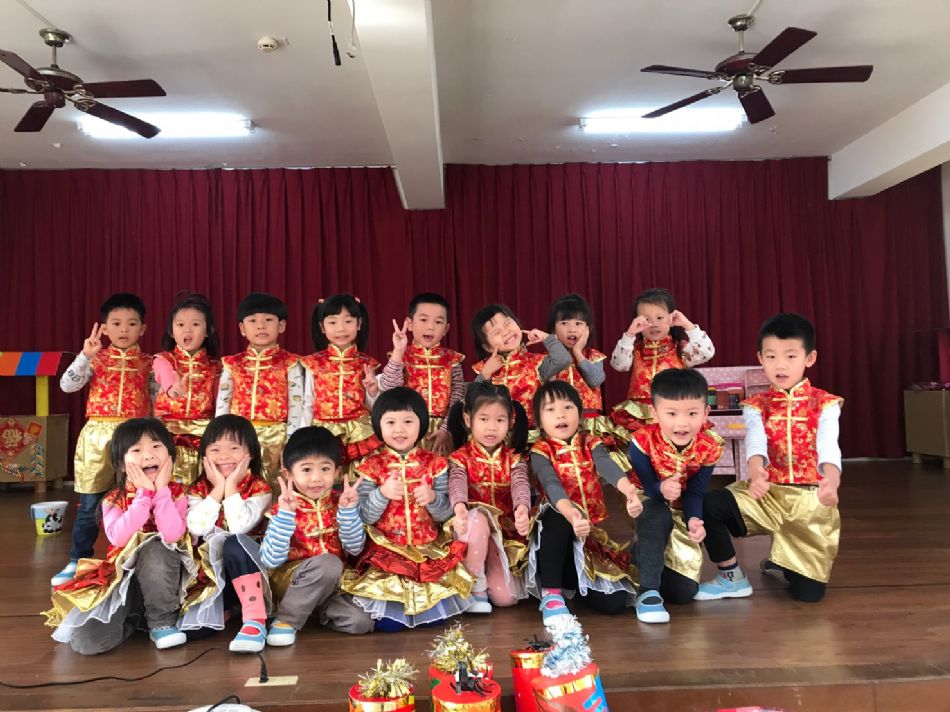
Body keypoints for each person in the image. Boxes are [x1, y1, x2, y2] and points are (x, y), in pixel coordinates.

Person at [696, 313, 843, 604]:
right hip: (767, 495)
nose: (780, 365)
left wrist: (831, 480)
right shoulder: (756, 405)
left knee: (809, 596)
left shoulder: (826, 403)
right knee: (709, 504)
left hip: (809, 504)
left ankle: (784, 561)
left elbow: (828, 445)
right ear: (760, 358)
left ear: (809, 358)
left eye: (790, 356)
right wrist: (756, 472)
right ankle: (731, 576)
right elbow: (756, 440)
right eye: (771, 356)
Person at [45, 418, 195, 654]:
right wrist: (144, 494)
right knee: (87, 642)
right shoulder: (113, 499)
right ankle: (138, 618)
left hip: (165, 577)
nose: (148, 455)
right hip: (123, 578)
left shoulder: (178, 494)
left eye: (156, 446)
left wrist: (160, 492)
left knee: (154, 546)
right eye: (136, 450)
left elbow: (171, 535)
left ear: (170, 456)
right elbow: (119, 538)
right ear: (122, 465)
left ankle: (161, 622)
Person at [340, 387, 474, 629]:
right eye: (390, 422)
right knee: (389, 625)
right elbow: (365, 517)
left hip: (427, 548)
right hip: (387, 550)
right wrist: (381, 494)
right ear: (378, 425)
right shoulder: (371, 466)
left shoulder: (435, 464)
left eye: (408, 421)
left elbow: (446, 513)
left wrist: (433, 498)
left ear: (421, 424)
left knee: (435, 620)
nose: (399, 429)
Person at [53, 293, 153, 587]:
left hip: (135, 438)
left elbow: (157, 402)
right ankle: (78, 559)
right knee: (89, 505)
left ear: (142, 329)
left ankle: (130, 559)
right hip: (97, 436)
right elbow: (67, 386)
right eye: (116, 323)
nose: (124, 329)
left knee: (135, 501)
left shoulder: (150, 363)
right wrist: (85, 356)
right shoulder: (96, 359)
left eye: (132, 323)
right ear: (105, 328)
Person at [528, 382, 642, 624]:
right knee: (554, 517)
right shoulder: (540, 451)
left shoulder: (590, 442)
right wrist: (571, 514)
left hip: (587, 535)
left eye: (568, 407)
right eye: (550, 409)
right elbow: (550, 483)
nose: (560, 415)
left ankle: (576, 585)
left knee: (614, 603)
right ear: (538, 420)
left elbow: (606, 464)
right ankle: (551, 594)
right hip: (554, 538)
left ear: (580, 414)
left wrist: (628, 490)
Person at [260, 426, 373, 644]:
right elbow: (270, 560)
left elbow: (355, 549)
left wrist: (348, 512)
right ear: (288, 474)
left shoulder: (341, 502)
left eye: (325, 469)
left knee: (361, 622)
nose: (316, 478)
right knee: (329, 564)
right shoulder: (282, 508)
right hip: (292, 580)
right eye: (306, 470)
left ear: (337, 472)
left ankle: (312, 609)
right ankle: (286, 620)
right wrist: (285, 515)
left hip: (332, 584)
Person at [627, 368, 722, 623]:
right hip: (645, 502)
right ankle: (648, 592)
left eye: (692, 413)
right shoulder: (642, 441)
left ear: (705, 412)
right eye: (671, 414)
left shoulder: (709, 446)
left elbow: (696, 492)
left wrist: (694, 519)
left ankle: (639, 557)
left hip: (680, 509)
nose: (682, 423)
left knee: (683, 593)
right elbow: (645, 485)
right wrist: (660, 488)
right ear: (655, 413)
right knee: (657, 514)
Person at [181, 415, 273, 652]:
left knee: (235, 543)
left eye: (234, 448)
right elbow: (197, 527)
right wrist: (217, 490)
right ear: (204, 456)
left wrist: (230, 486)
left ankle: (255, 620)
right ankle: (233, 609)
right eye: (215, 449)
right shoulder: (198, 489)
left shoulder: (259, 488)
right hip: (211, 575)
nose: (224, 456)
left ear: (250, 454)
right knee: (193, 631)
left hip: (248, 568)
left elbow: (239, 527)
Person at [446, 382, 531, 612]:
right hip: (469, 529)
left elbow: (520, 484)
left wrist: (522, 508)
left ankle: (489, 573)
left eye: (500, 420)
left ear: (511, 421)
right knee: (478, 518)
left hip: (500, 534)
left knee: (506, 599)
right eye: (484, 419)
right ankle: (474, 585)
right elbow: (457, 483)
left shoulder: (513, 458)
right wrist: (459, 507)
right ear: (468, 419)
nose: (492, 427)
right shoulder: (461, 457)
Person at [216, 292, 303, 482]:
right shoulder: (232, 363)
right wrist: (221, 438)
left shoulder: (290, 362)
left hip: (277, 438)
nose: (261, 326)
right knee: (239, 483)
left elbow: (297, 404)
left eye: (268, 320)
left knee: (277, 485)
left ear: (281, 325)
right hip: (239, 438)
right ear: (242, 328)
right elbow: (223, 402)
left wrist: (292, 441)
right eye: (253, 320)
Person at [378, 292, 464, 455]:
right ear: (410, 324)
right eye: (424, 320)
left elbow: (458, 397)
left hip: (442, 433)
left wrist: (447, 429)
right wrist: (398, 351)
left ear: (446, 328)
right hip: (407, 428)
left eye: (438, 322)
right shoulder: (402, 355)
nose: (430, 327)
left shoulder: (452, 359)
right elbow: (388, 389)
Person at [153, 292, 222, 485]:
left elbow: (220, 403)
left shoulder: (217, 367)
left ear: (208, 330)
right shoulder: (164, 360)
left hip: (204, 435)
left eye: (195, 324)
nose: (187, 330)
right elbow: (164, 374)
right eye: (180, 324)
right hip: (168, 433)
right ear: (171, 331)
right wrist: (172, 389)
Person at [470, 303, 571, 434]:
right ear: (487, 347)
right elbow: (473, 400)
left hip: (533, 436)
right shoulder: (485, 369)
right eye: (496, 332)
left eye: (507, 324)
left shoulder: (535, 363)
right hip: (497, 437)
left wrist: (546, 338)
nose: (506, 332)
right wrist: (486, 373)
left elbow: (563, 359)